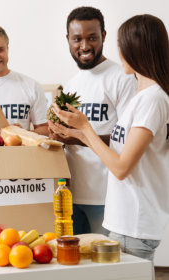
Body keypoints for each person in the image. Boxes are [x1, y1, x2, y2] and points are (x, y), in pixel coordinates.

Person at [51, 14, 169, 275]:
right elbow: (121, 148)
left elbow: (121, 167)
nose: (119, 51)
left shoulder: (153, 99)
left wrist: (84, 128)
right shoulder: (145, 96)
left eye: (121, 44)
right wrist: (77, 135)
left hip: (133, 226)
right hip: (125, 223)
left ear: (136, 48)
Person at [48, 7, 137, 235]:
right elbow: (69, 138)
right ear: (68, 39)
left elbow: (127, 140)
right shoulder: (70, 85)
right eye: (77, 39)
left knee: (106, 267)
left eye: (92, 38)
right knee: (76, 266)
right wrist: (58, 136)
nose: (85, 46)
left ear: (104, 36)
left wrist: (78, 138)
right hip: (71, 195)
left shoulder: (122, 78)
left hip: (108, 197)